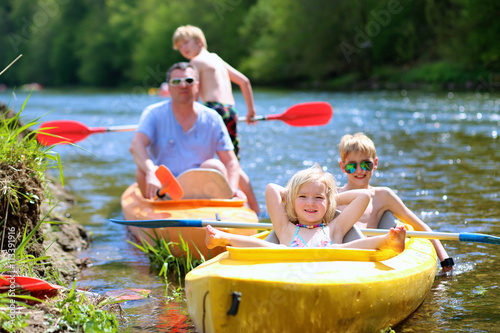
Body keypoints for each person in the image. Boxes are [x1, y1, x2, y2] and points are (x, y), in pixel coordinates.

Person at [206, 164, 406, 252]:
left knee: (338, 248)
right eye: (303, 197)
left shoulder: (335, 228)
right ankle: (223, 238)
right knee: (277, 249)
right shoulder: (285, 228)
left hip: (330, 266)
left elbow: (364, 196)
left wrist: (330, 198)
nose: (310, 203)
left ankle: (388, 241)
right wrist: (292, 195)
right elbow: (271, 189)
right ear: (293, 199)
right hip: (291, 266)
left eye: (318, 198)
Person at [172, 24, 260, 214]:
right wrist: (250, 111)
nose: (183, 49)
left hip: (213, 110)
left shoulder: (195, 63)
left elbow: (193, 95)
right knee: (233, 162)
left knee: (207, 158)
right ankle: (254, 208)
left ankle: (225, 199)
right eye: (180, 46)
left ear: (199, 41)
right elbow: (244, 81)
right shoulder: (216, 59)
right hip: (231, 111)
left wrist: (186, 119)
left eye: (186, 43)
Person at [337, 133, 454, 270]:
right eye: (352, 166)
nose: (359, 170)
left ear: (375, 164)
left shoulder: (382, 196)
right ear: (343, 166)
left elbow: (420, 227)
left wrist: (445, 260)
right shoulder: (334, 196)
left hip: (370, 255)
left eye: (365, 164)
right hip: (343, 254)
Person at [129, 62, 243, 201]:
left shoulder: (213, 118)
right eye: (176, 81)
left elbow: (231, 162)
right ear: (169, 88)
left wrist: (232, 190)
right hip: (163, 188)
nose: (183, 85)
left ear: (197, 86)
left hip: (201, 191)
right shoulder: (153, 113)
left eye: (189, 81)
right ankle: (153, 209)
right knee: (142, 170)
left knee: (215, 166)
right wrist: (151, 170)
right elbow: (136, 145)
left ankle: (217, 210)